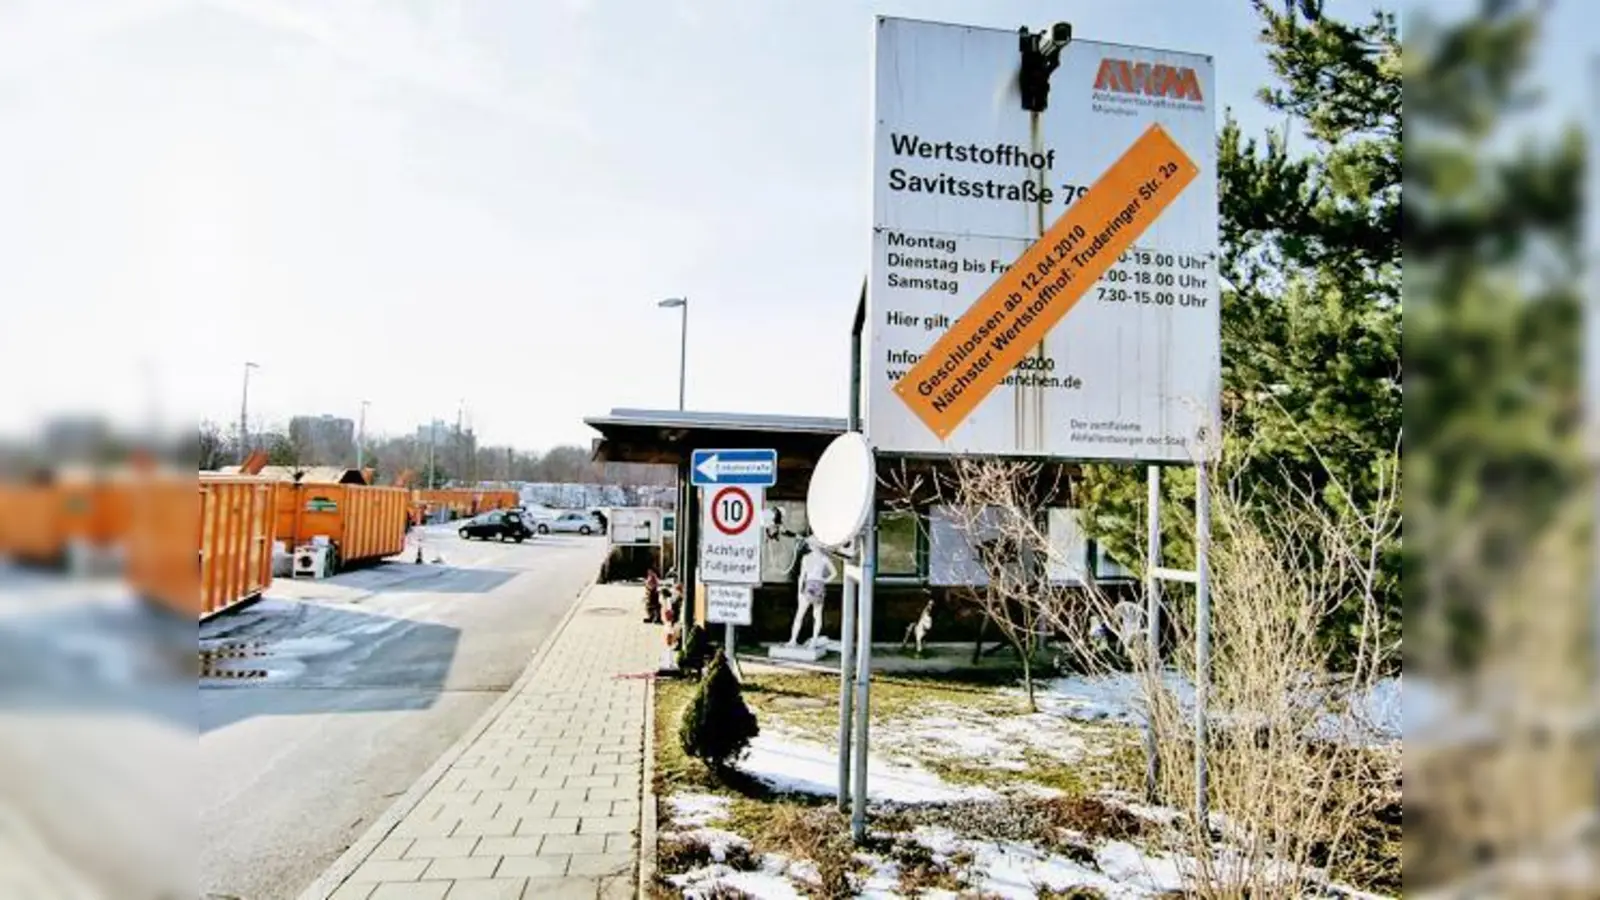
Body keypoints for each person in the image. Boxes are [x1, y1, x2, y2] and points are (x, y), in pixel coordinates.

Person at [789, 537, 837, 648]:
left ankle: (795, 640)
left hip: (810, 584)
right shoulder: (821, 558)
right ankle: (805, 640)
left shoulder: (809, 558)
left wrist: (799, 591)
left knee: (803, 615)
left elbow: (802, 576)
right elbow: (834, 573)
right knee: (815, 615)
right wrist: (823, 581)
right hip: (816, 585)